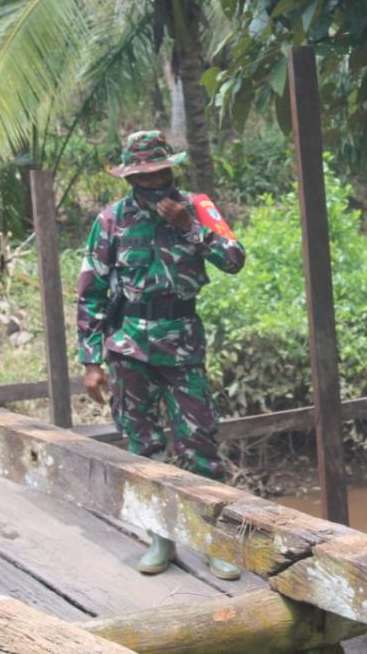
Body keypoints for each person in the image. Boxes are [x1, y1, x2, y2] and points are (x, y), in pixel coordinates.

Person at [76, 129, 245, 580]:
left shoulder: (197, 207)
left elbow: (234, 258)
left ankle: (216, 542)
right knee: (143, 447)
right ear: (131, 177)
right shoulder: (110, 220)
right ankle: (160, 537)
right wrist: (91, 361)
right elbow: (91, 292)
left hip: (182, 344)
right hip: (128, 347)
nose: (154, 183)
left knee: (200, 445)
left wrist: (187, 227)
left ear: (171, 169)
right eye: (144, 176)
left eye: (160, 173)